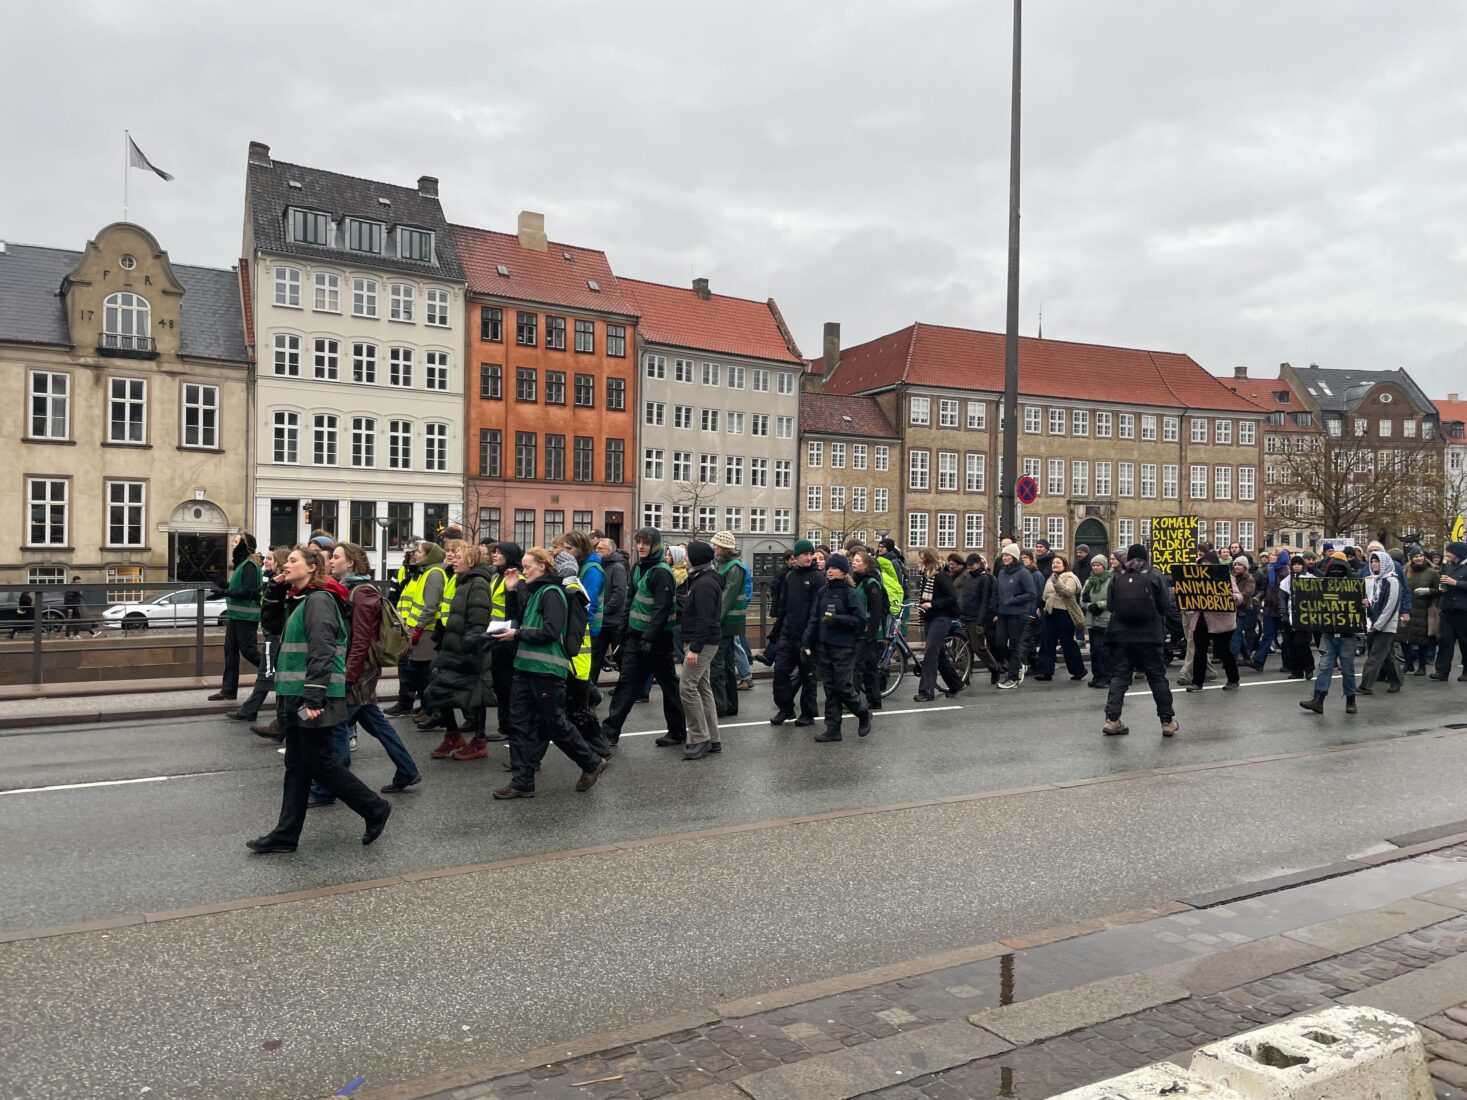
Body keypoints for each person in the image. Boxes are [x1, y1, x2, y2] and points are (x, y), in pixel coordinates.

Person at [245, 543, 392, 854]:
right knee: (297, 764)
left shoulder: (320, 600)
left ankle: (375, 808)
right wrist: (273, 586)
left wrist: (313, 698)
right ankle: (285, 835)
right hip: (295, 695)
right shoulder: (298, 600)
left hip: (315, 697)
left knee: (318, 763)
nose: (286, 565)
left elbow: (322, 649)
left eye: (293, 561)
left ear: (312, 568)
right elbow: (270, 625)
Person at [493, 547, 609, 799]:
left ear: (542, 567)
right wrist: (513, 590)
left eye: (527, 567)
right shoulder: (536, 592)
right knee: (520, 724)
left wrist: (518, 634)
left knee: (554, 723)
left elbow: (550, 630)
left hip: (547, 670)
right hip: (525, 667)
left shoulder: (552, 592)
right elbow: (519, 619)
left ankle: (591, 762)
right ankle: (522, 782)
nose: (523, 571)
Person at [312, 541, 421, 796]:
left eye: (336, 557)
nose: (332, 560)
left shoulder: (362, 593)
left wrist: (349, 676)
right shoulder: (350, 590)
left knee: (336, 725)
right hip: (359, 667)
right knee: (374, 721)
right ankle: (407, 769)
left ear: (350, 562)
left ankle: (331, 787)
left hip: (360, 668)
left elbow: (360, 640)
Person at [601, 528, 686, 746]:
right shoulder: (638, 567)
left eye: (645, 543)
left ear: (655, 545)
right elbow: (630, 600)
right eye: (639, 542)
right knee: (627, 683)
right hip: (636, 637)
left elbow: (662, 609)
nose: (641, 547)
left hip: (658, 640)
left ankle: (677, 732)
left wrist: (648, 638)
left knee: (668, 685)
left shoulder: (661, 572)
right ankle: (610, 733)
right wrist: (623, 629)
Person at [422, 539, 496, 760]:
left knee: (475, 695)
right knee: (438, 689)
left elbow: (478, 619)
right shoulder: (461, 581)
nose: (453, 559)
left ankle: (479, 741)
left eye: (458, 556)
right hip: (453, 647)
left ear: (471, 561)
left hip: (469, 651)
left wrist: (468, 645)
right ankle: (453, 735)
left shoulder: (478, 583)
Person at [1102, 544, 1178, 737]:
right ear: (1146, 557)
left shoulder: (1118, 575)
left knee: (1120, 676)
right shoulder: (1154, 574)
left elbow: (1111, 605)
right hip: (1149, 635)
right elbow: (1164, 604)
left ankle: (1112, 720)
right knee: (1157, 677)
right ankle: (1167, 722)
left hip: (1121, 635)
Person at [552, 548, 614, 763]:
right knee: (555, 712)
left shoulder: (571, 590)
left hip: (575, 660)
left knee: (579, 712)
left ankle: (601, 749)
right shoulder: (568, 586)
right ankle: (527, 759)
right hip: (573, 659)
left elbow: (574, 630)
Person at [806, 553, 871, 740]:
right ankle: (833, 728)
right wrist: (806, 644)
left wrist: (837, 619)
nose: (829, 571)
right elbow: (814, 619)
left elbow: (860, 621)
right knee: (830, 688)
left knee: (842, 686)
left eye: (833, 568)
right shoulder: (822, 593)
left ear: (843, 571)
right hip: (824, 646)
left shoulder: (850, 593)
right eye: (828, 568)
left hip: (844, 646)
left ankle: (862, 712)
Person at [233, 547, 292, 736]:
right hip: (272, 633)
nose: (266, 561)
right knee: (268, 673)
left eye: (270, 559)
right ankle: (269, 718)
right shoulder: (271, 581)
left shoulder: (281, 585)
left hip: (274, 634)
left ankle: (254, 711)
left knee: (267, 674)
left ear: (279, 562)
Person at [769, 539, 826, 725]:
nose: (808, 558)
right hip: (788, 634)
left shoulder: (818, 578)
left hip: (807, 637)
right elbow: (783, 606)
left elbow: (816, 611)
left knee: (808, 675)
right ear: (797, 556)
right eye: (805, 554)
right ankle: (785, 709)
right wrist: (776, 631)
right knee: (780, 673)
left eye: (811, 554)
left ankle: (808, 713)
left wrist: (810, 637)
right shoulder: (790, 577)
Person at [678, 540, 726, 759]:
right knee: (702, 688)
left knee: (687, 687)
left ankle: (699, 738)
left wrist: (695, 648)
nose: (685, 558)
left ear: (696, 558)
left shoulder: (704, 584)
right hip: (704, 641)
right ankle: (712, 738)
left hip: (702, 643)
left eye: (688, 555)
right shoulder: (702, 579)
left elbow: (706, 620)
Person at [1299, 552, 1360, 714]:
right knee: (1325, 666)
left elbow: (1360, 606)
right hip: (1329, 633)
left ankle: (1350, 700)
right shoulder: (1323, 585)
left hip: (1347, 634)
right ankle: (1318, 700)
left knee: (1347, 669)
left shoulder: (1354, 585)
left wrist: (1364, 603)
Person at [210, 533, 262, 701]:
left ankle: (275, 675)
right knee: (230, 651)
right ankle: (228, 690)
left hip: (246, 617)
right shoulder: (242, 565)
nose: (232, 544)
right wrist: (223, 584)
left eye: (236, 541)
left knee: (249, 652)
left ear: (244, 545)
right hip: (236, 616)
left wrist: (224, 591)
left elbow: (246, 591)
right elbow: (237, 587)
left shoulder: (249, 565)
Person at [1183, 549, 1241, 692]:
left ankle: (1233, 679)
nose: (1204, 566)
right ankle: (1197, 682)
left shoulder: (1226, 577)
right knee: (1199, 652)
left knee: (1223, 651)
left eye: (1207, 563)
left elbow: (1238, 595)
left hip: (1221, 622)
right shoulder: (1196, 579)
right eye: (1202, 563)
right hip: (1201, 619)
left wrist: (1234, 598)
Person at [912, 547, 965, 701]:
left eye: (921, 557)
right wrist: (922, 604)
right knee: (939, 653)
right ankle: (956, 684)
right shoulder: (926, 576)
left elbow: (950, 599)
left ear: (927, 559)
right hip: (929, 618)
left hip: (941, 618)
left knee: (930, 654)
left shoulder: (941, 576)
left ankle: (926, 692)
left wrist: (933, 604)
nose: (918, 560)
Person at [709, 531, 749, 718]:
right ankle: (730, 704)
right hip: (729, 623)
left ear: (724, 548)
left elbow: (726, 599)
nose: (714, 548)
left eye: (716, 545)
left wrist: (713, 622)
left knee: (718, 666)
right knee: (725, 665)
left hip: (726, 623)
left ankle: (720, 705)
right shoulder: (727, 566)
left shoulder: (733, 568)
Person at [991, 543, 1038, 689]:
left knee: (1014, 646)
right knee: (998, 644)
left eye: (1007, 555)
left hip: (1018, 615)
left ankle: (1013, 678)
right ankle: (1018, 665)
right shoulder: (1001, 573)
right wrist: (996, 611)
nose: (1004, 557)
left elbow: (1031, 593)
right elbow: (997, 593)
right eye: (1003, 555)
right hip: (1003, 614)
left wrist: (1013, 600)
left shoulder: (1023, 573)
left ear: (1014, 557)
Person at [1358, 549, 1404, 695]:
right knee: (1387, 655)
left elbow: (1391, 606)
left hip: (1386, 625)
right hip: (1377, 623)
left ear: (1384, 563)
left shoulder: (1392, 581)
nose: (1374, 563)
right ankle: (1396, 681)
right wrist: (1368, 606)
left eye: (1377, 561)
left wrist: (1377, 625)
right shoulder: (1378, 581)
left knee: (1375, 656)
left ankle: (1365, 686)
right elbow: (1377, 604)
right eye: (1372, 561)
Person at [1035, 555, 1086, 682]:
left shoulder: (1070, 577)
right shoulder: (1051, 577)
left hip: (1064, 613)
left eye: (1058, 563)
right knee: (1047, 642)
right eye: (1053, 563)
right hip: (1050, 613)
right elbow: (1046, 595)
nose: (1055, 564)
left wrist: (1056, 582)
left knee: (1067, 642)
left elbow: (1068, 592)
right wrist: (1042, 606)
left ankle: (1079, 670)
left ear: (1064, 565)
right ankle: (1045, 671)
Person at [851, 550, 890, 710]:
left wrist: (872, 633)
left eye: (858, 560)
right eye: (853, 560)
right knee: (870, 666)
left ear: (866, 565)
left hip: (867, 632)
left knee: (857, 665)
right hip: (862, 630)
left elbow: (876, 610)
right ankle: (874, 700)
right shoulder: (859, 581)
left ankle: (852, 700)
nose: (853, 562)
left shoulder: (871, 583)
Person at [591, 537, 628, 688]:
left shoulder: (617, 567)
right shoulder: (599, 565)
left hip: (614, 621)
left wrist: (603, 611)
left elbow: (619, 595)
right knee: (595, 656)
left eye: (601, 549)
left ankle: (624, 687)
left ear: (610, 551)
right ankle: (590, 688)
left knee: (619, 656)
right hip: (601, 621)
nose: (597, 551)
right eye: (597, 548)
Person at [1430, 541, 1467, 681]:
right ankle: (1442, 671)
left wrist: (1455, 583)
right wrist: (1442, 587)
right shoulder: (1449, 567)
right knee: (1445, 640)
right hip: (1447, 609)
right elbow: (1443, 583)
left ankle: (1466, 671)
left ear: (1458, 552)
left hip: (1463, 610)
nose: (1447, 554)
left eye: (1449, 551)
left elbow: (1455, 583)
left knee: (1465, 642)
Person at [1400, 546, 1439, 675]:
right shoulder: (1405, 571)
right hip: (1407, 608)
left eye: (1421, 556)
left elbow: (1440, 590)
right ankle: (1408, 664)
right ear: (1411, 558)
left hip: (1424, 610)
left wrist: (1428, 591)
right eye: (1416, 556)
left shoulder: (1432, 572)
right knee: (1403, 638)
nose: (1419, 558)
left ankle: (1422, 667)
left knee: (1422, 640)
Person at [1250, 549, 1290, 672]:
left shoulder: (1286, 573)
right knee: (1267, 635)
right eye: (1271, 555)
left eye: (1274, 555)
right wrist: (1259, 597)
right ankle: (1258, 661)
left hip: (1282, 609)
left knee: (1286, 638)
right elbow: (1265, 587)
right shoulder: (1270, 570)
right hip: (1269, 608)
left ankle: (1288, 664)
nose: (1271, 557)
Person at [960, 553, 996, 684]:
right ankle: (965, 676)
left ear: (978, 564)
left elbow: (984, 601)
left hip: (976, 617)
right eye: (968, 564)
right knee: (964, 648)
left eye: (972, 564)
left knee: (978, 647)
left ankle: (994, 667)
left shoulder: (985, 578)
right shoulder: (968, 576)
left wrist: (981, 621)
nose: (969, 566)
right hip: (966, 616)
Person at [1081, 557, 1111, 688]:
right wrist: (1088, 605)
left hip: (1105, 619)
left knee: (1102, 649)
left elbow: (1112, 599)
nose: (1095, 568)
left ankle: (1105, 676)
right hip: (1092, 619)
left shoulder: (1110, 580)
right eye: (1093, 565)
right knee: (1094, 649)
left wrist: (1098, 605)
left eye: (1098, 565)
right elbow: (1082, 598)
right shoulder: (1089, 581)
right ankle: (1096, 675)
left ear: (1104, 566)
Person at [1230, 557, 1258, 663]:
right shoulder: (1231, 577)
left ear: (1245, 567)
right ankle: (1246, 655)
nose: (1237, 567)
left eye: (1240, 565)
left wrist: (1236, 598)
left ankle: (1232, 657)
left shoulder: (1249, 579)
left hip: (1243, 609)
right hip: (1231, 609)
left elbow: (1247, 594)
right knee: (1238, 634)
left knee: (1236, 633)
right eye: (1236, 564)